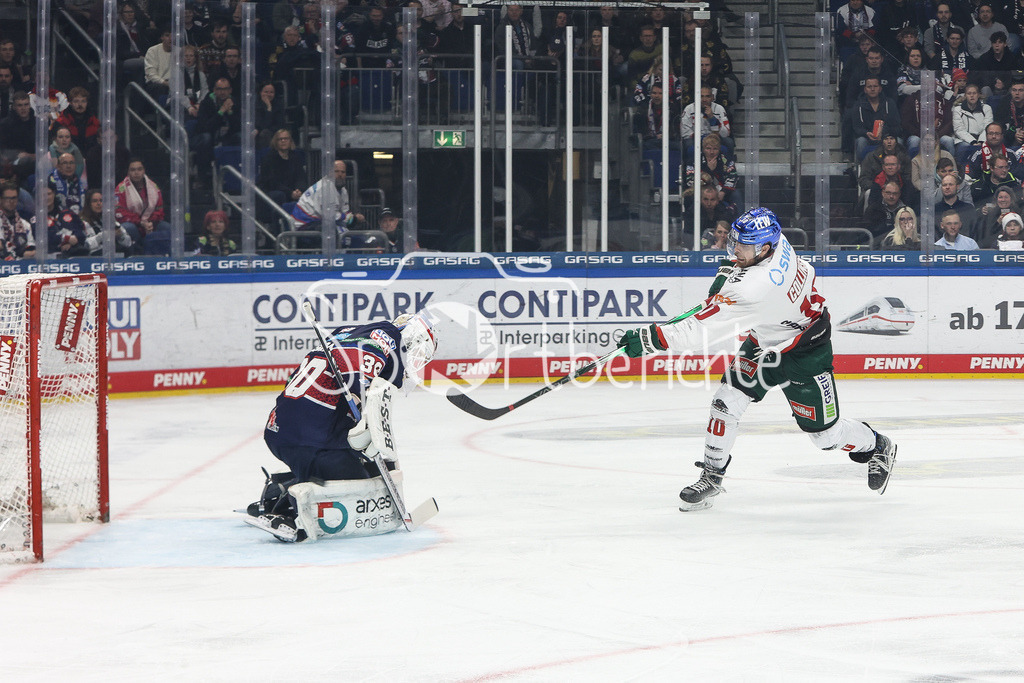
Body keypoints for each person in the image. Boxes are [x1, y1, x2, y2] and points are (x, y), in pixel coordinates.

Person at [617, 207, 897, 511]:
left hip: (805, 351)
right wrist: (726, 281)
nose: (735, 248)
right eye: (735, 241)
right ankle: (711, 476)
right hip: (765, 342)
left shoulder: (756, 287)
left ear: (764, 248)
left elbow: (700, 329)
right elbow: (724, 293)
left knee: (826, 437)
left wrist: (650, 339)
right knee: (726, 401)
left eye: (742, 245)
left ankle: (878, 445)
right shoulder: (778, 244)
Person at [246, 312, 438, 540]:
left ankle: (276, 490)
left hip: (282, 430)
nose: (417, 362)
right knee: (367, 488)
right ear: (412, 339)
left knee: (366, 469)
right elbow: (357, 370)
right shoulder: (387, 336)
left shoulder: (348, 331)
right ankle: (293, 505)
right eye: (420, 354)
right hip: (311, 439)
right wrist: (361, 396)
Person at [114, 158, 172, 256]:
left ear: (144, 170)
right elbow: (120, 213)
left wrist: (150, 222)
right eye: (133, 170)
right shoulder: (120, 189)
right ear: (128, 172)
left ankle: (168, 259)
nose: (136, 173)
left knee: (167, 227)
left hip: (151, 224)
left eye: (139, 169)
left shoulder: (154, 187)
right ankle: (131, 255)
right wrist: (140, 222)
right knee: (127, 228)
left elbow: (159, 210)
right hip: (133, 225)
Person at [291, 159, 364, 231]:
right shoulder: (324, 187)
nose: (340, 175)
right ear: (329, 173)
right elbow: (330, 215)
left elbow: (344, 212)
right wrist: (353, 218)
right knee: (331, 231)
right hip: (304, 224)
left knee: (358, 226)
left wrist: (354, 218)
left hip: (320, 222)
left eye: (343, 172)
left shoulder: (343, 190)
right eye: (336, 171)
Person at [78, 188, 133, 256]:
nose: (99, 203)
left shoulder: (109, 218)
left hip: (112, 252)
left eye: (101, 201)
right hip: (94, 256)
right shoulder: (82, 221)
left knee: (129, 250)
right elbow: (87, 245)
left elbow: (128, 243)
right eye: (95, 201)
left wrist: (120, 235)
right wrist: (105, 235)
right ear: (89, 204)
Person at [0, 181, 34, 259]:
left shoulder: (25, 225)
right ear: (1, 199)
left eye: (14, 198)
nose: (11, 201)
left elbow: (31, 251)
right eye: (7, 198)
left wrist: (23, 253)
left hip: (20, 266)